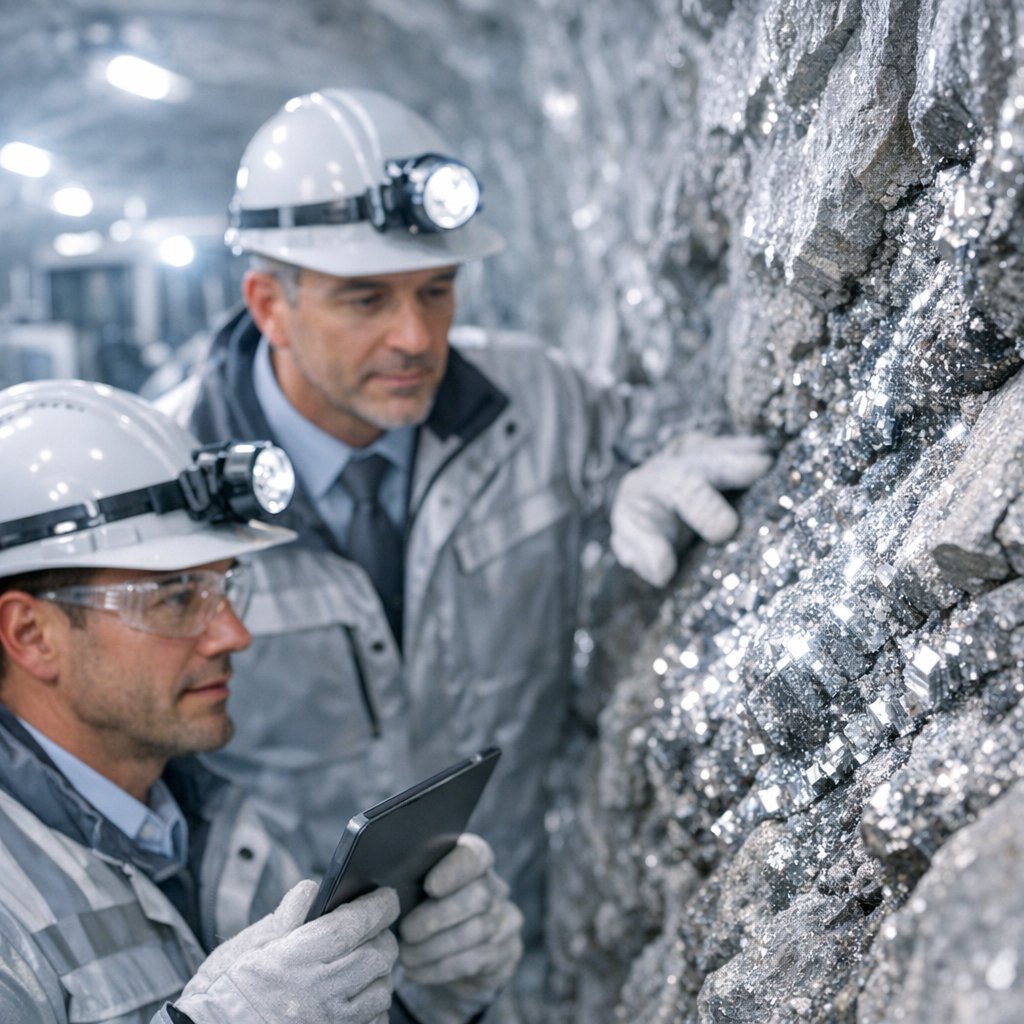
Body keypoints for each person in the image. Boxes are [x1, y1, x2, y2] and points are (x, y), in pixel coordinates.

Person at [158, 87, 771, 1008]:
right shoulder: (170, 491)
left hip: (502, 944)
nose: (415, 337)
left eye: (436, 290)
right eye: (365, 299)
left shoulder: (537, 403)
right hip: (296, 986)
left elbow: (645, 432)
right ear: (270, 305)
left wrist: (650, 467)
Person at [0, 379, 522, 1024]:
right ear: (32, 635)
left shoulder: (215, 821)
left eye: (225, 588)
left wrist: (429, 1000)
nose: (233, 634)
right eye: (175, 598)